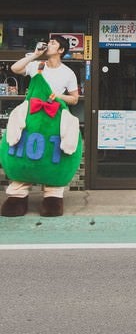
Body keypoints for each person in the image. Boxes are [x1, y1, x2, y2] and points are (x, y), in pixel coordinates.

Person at [1, 35, 79, 217]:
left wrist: (57, 97)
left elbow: (74, 98)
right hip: (31, 118)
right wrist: (34, 55)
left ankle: (52, 196)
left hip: (53, 119)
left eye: (53, 43)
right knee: (21, 150)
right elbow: (15, 68)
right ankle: (18, 196)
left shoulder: (68, 73)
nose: (48, 44)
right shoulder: (37, 65)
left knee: (54, 154)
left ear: (61, 50)